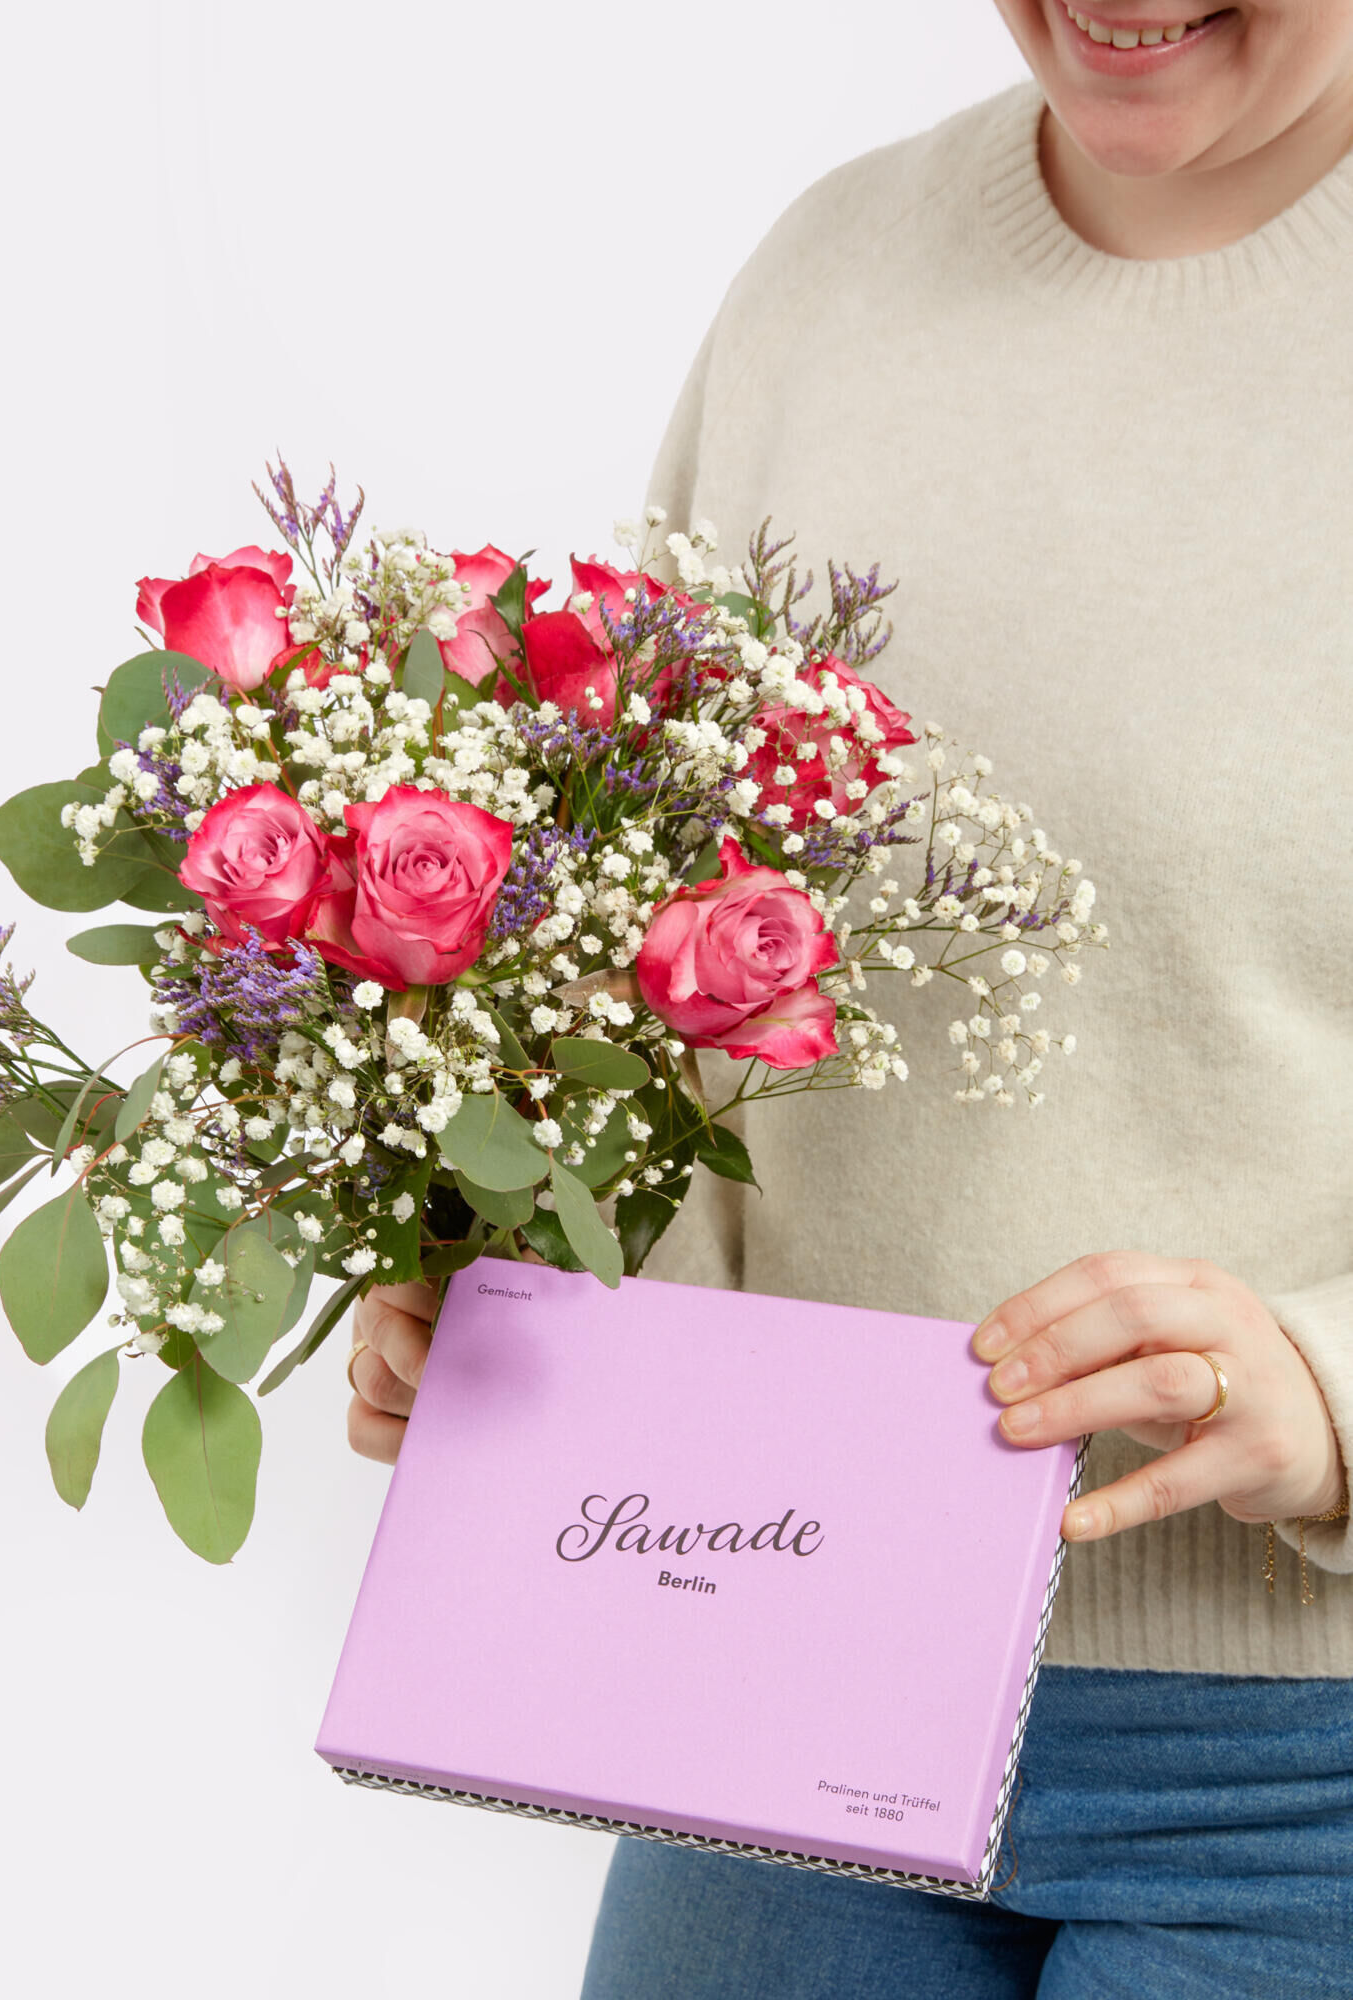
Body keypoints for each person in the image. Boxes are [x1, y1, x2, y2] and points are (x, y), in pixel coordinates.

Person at [344, 3, 1353, 1991]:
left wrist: (1329, 1389)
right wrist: (518, 1277)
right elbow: (641, 930)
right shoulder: (831, 279)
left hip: (1297, 1774)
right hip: (778, 1664)